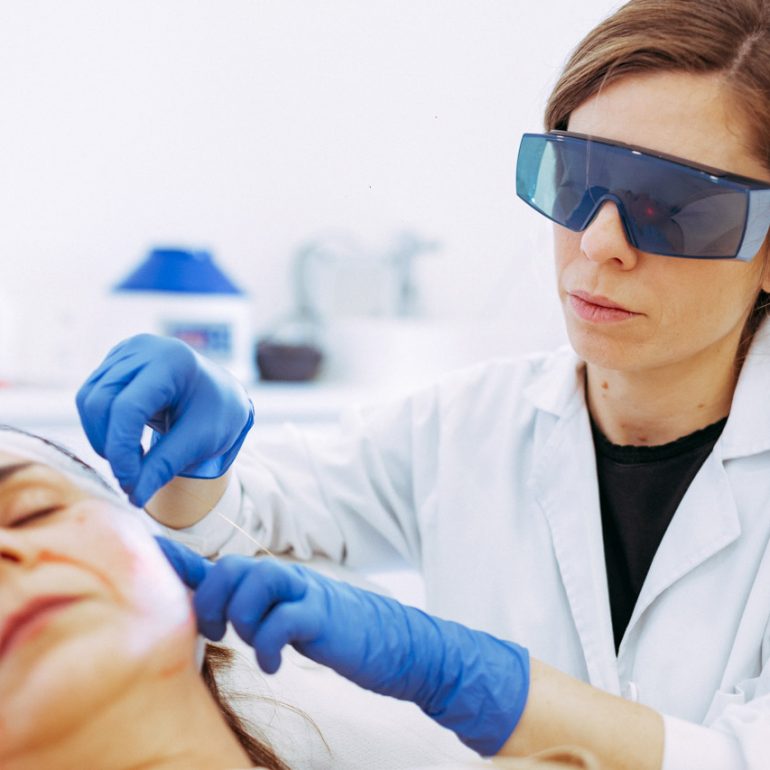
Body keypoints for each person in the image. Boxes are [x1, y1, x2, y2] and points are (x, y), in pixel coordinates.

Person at [76, 0, 770, 768]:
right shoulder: (471, 424)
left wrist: (473, 681)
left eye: (671, 205)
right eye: (579, 178)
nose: (599, 241)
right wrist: (197, 466)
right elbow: (246, 524)